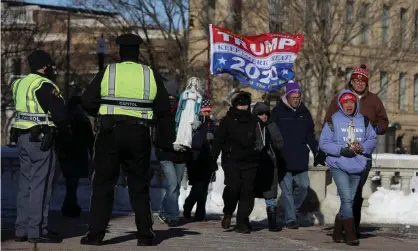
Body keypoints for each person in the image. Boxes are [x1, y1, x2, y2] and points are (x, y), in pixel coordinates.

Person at [80, 33, 171, 246]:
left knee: (103, 184)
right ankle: (145, 235)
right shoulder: (150, 74)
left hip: (109, 132)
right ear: (138, 52)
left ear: (120, 51)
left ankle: (95, 235)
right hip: (139, 133)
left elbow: (87, 101)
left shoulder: (108, 71)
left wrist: (101, 113)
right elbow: (163, 107)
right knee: (139, 185)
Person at [11, 50, 71, 243]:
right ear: (45, 66)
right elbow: (60, 115)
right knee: (41, 186)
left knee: (25, 186)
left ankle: (21, 230)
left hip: (22, 138)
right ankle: (37, 230)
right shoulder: (44, 85)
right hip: (42, 140)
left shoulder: (19, 83)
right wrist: (65, 133)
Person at [323, 64, 389, 237]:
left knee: (356, 194)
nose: (359, 84)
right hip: (342, 156)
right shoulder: (340, 98)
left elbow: (384, 122)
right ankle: (347, 229)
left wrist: (374, 130)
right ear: (351, 82)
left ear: (366, 84)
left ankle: (349, 226)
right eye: (356, 81)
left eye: (363, 81)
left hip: (363, 156)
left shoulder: (374, 100)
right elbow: (328, 122)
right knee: (347, 195)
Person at [319, 90, 377, 246]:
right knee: (346, 198)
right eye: (345, 102)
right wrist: (341, 150)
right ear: (340, 104)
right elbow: (323, 143)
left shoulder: (363, 121)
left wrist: (362, 147)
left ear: (355, 103)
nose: (349, 105)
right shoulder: (333, 120)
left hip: (358, 165)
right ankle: (350, 234)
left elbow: (372, 138)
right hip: (338, 164)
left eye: (351, 102)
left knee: (349, 200)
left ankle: (337, 231)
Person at [271, 81, 319, 229]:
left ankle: (291, 210)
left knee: (303, 187)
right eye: (293, 97)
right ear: (287, 96)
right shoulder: (277, 112)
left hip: (300, 158)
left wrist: (317, 153)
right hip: (283, 158)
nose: (296, 100)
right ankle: (290, 219)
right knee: (287, 191)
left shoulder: (305, 113)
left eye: (298, 97)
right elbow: (271, 134)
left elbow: (310, 135)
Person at [211, 91, 260, 234]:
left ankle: (241, 222)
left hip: (251, 162)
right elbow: (218, 140)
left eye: (245, 105)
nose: (243, 108)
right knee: (233, 189)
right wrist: (213, 158)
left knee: (247, 192)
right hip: (231, 160)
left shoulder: (254, 121)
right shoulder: (227, 121)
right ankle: (228, 212)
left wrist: (259, 155)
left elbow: (261, 141)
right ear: (235, 105)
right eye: (240, 105)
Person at [153, 79, 190, 227]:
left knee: (173, 187)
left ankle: (163, 212)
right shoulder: (159, 111)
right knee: (173, 185)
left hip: (180, 154)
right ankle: (173, 217)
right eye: (167, 96)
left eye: (173, 97)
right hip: (165, 153)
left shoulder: (184, 111)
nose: (170, 100)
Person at [59, 87, 94, 218]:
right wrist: (92, 153)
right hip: (78, 154)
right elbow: (90, 139)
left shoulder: (64, 119)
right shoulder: (82, 120)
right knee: (72, 183)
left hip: (66, 153)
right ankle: (69, 206)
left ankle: (70, 206)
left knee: (71, 183)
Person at [183, 98, 217, 222]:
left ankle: (200, 213)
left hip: (208, 159)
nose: (206, 114)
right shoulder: (195, 123)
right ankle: (188, 206)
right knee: (198, 187)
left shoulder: (212, 124)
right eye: (204, 112)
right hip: (195, 158)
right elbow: (193, 141)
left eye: (208, 112)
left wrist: (212, 139)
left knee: (204, 189)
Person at [252, 102, 284, 232]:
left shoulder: (272, 125)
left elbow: (280, 144)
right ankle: (243, 220)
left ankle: (272, 222)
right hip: (254, 163)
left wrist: (273, 135)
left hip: (270, 162)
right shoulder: (250, 125)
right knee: (249, 193)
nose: (264, 116)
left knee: (271, 194)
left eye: (266, 113)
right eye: (260, 113)